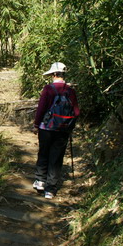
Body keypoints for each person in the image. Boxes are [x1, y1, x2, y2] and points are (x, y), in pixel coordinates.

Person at [32, 62, 80, 199]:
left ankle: (40, 181)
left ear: (53, 74)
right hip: (63, 129)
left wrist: (36, 125)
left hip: (46, 128)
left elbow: (41, 109)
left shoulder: (48, 89)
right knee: (56, 157)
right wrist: (70, 125)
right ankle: (51, 189)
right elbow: (76, 112)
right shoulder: (70, 91)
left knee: (44, 153)